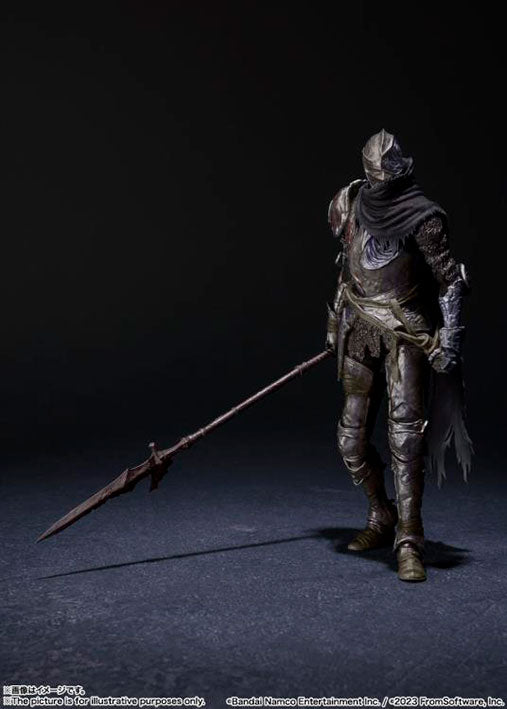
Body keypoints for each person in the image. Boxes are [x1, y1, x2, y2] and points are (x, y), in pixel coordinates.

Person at [326, 129, 472, 582]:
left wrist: (449, 339)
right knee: (350, 440)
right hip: (358, 327)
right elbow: (346, 265)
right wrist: (334, 324)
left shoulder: (422, 217)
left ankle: (410, 539)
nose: (379, 185)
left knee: (406, 439)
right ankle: (381, 514)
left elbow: (450, 280)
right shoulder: (350, 202)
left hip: (406, 332)